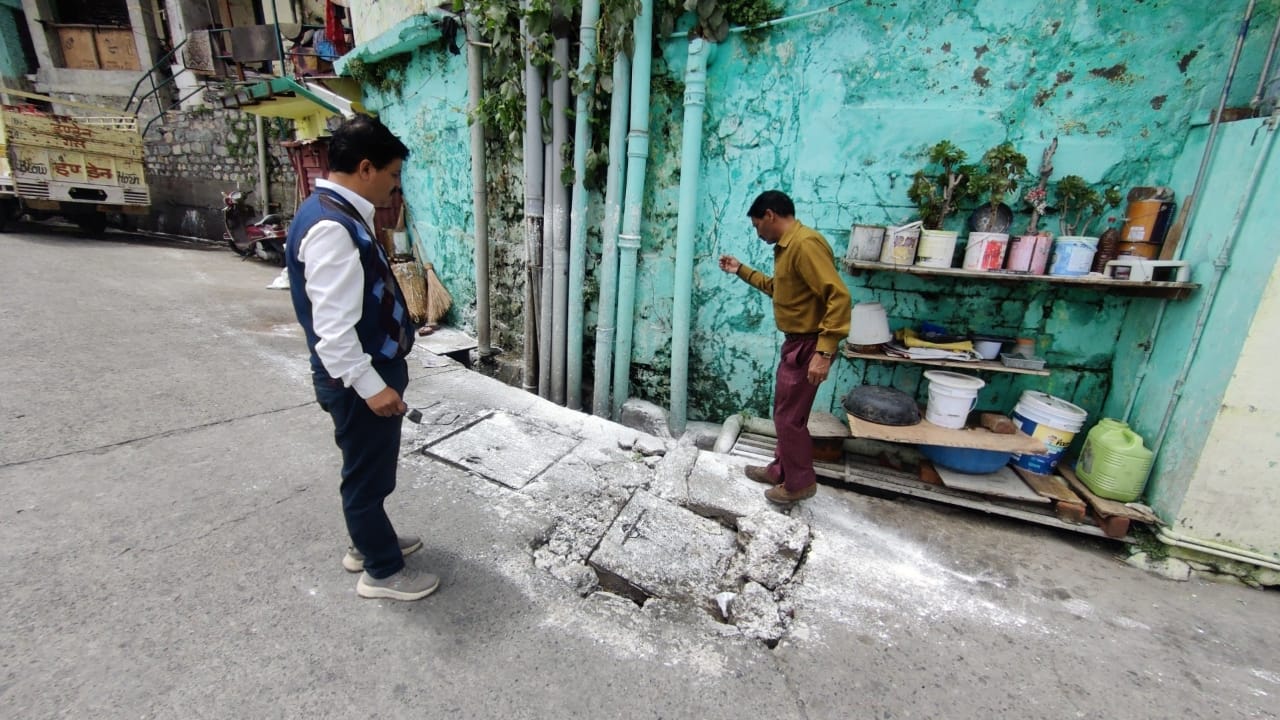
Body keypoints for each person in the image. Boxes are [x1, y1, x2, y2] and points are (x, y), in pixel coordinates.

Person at [284, 116, 438, 601]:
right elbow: (333, 333)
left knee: (367, 468)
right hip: (358, 381)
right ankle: (383, 572)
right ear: (366, 168)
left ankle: (367, 543)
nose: (396, 187)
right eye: (393, 176)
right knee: (366, 480)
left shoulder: (333, 211)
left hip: (362, 374)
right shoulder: (332, 227)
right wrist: (373, 388)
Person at [718, 190, 852, 504]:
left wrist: (824, 352)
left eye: (756, 226)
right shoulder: (789, 248)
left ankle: (799, 483)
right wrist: (741, 269)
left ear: (769, 215)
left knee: (789, 419)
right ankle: (781, 469)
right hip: (797, 344)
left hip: (808, 346)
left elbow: (839, 297)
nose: (757, 232)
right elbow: (779, 289)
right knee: (784, 413)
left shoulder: (804, 245)